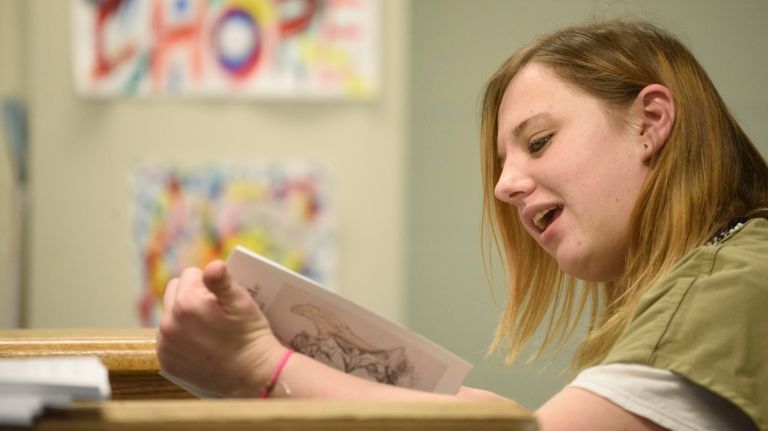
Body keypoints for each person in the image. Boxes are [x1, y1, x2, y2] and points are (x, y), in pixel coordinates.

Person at [156, 20, 768, 430]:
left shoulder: (728, 284)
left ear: (651, 121)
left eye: (540, 141)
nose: (504, 186)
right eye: (506, 162)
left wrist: (267, 370)